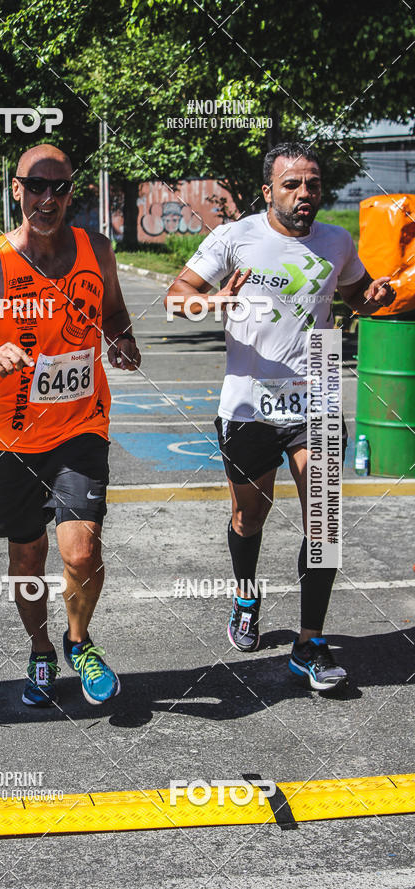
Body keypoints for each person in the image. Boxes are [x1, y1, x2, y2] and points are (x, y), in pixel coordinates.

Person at [166, 141, 395, 691]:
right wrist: (215, 300)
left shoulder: (336, 242)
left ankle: (309, 642)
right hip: (247, 403)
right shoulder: (235, 237)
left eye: (312, 184)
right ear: (268, 190)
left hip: (313, 393)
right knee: (250, 516)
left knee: (325, 522)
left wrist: (376, 297)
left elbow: (359, 294)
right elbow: (177, 297)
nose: (304, 194)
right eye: (291, 184)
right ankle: (246, 594)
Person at [0, 144, 140, 707]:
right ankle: (41, 648)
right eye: (35, 186)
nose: (48, 198)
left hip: (81, 426)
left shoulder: (98, 250)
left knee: (82, 551)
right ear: (16, 189)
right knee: (26, 558)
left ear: (73, 191)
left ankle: (79, 642)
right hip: (10, 438)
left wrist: (121, 339)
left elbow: (113, 313)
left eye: (59, 187)